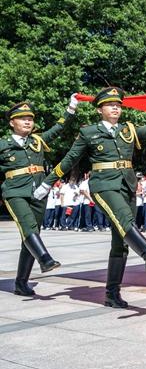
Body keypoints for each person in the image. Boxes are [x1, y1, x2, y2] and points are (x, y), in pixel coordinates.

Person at [34, 88, 146, 307]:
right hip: (103, 185)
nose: (115, 107)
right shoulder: (89, 132)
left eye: (118, 104)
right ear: (100, 109)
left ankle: (112, 293)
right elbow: (70, 159)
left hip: (127, 185)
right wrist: (47, 182)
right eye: (110, 104)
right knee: (124, 218)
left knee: (121, 242)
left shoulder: (129, 129)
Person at [2, 95, 78, 296]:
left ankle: (21, 283)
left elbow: (59, 128)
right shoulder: (3, 143)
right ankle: (45, 259)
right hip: (15, 192)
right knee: (28, 227)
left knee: (32, 235)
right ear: (12, 122)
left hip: (37, 193)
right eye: (22, 118)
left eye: (30, 118)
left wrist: (70, 108)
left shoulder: (37, 140)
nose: (28, 121)